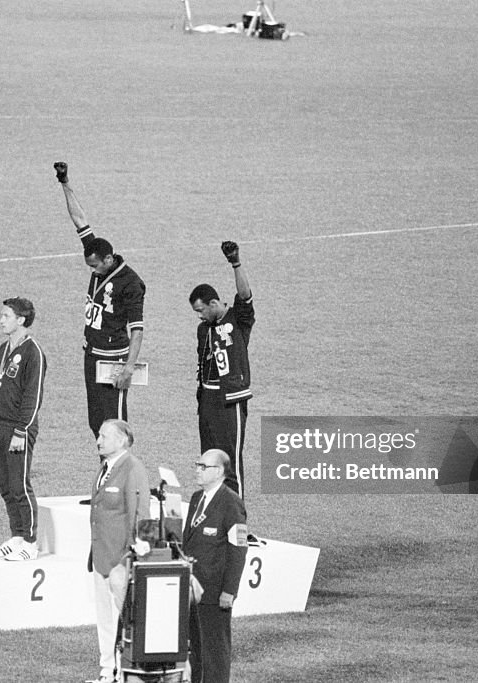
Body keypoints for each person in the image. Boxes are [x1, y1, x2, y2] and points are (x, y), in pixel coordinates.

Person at [54, 161, 146, 439]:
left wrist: (129, 368)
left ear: (108, 259)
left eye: (95, 267)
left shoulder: (131, 283)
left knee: (115, 426)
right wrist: (65, 182)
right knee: (96, 424)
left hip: (113, 359)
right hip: (91, 354)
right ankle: (108, 474)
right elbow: (80, 220)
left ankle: (124, 478)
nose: (92, 271)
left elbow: (137, 330)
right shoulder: (97, 253)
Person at [0, 297, 47, 561]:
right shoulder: (3, 348)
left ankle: (30, 543)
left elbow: (33, 396)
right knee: (3, 484)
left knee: (19, 485)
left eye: (6, 316)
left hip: (18, 430)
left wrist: (22, 431)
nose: (1, 320)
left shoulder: (34, 353)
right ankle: (17, 536)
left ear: (21, 320)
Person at [189, 241, 255, 498]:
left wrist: (235, 263)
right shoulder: (203, 329)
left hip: (230, 400)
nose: (199, 316)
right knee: (209, 459)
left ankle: (237, 521)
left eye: (200, 310)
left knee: (230, 462)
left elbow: (245, 296)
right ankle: (215, 514)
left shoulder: (238, 320)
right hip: (207, 400)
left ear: (213, 302)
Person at [86, 419, 150, 683]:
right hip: (101, 556)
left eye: (104, 436)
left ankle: (124, 671)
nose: (98, 440)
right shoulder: (105, 467)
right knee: (104, 617)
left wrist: (133, 555)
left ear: (122, 440)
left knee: (123, 619)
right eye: (99, 436)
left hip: (121, 560)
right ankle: (107, 670)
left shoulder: (133, 468)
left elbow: (141, 513)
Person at [181, 449, 248, 683]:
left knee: (215, 652)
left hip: (214, 590)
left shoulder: (231, 503)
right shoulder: (197, 498)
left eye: (203, 467)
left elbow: (238, 550)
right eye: (197, 465)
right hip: (192, 589)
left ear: (218, 471)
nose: (197, 471)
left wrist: (229, 591)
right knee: (194, 650)